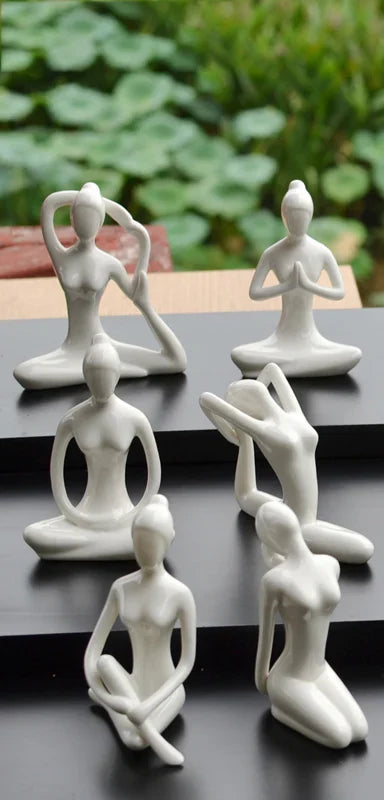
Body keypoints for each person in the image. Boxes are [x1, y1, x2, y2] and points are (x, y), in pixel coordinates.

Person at [14, 182, 186, 390]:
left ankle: (108, 370)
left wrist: (145, 306)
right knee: (26, 373)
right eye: (79, 216)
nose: (84, 222)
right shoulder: (62, 257)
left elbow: (178, 362)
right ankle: (108, 371)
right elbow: (50, 205)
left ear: (100, 222)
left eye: (91, 217)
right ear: (72, 218)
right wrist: (97, 200)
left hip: (103, 345)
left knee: (173, 361)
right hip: (70, 351)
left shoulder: (109, 263)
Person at [199, 362, 373, 564]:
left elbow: (206, 400)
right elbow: (272, 369)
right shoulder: (292, 414)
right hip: (295, 522)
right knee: (363, 550)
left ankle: (243, 436)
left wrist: (230, 433)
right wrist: (257, 389)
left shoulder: (265, 427)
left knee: (363, 548)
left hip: (303, 519)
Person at [24, 334, 161, 560]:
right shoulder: (72, 419)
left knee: (153, 533)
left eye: (106, 376)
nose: (101, 383)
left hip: (124, 516)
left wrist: (134, 513)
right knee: (34, 534)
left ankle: (101, 546)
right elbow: (57, 479)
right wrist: (73, 514)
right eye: (95, 377)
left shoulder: (134, 418)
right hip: (83, 517)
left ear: (117, 374)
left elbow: (154, 478)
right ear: (86, 376)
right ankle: (107, 546)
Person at [84, 495, 197, 765]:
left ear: (167, 542)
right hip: (131, 684)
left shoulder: (180, 594)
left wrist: (145, 706)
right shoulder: (121, 588)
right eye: (139, 543)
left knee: (135, 741)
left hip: (167, 691)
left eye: (152, 544)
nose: (145, 551)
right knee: (105, 662)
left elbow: (186, 663)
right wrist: (109, 697)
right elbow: (92, 654)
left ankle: (118, 711)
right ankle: (120, 709)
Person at [254, 502, 367, 748]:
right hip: (289, 677)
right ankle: (281, 709)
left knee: (359, 730)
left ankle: (286, 709)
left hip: (320, 670)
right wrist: (265, 684)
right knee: (340, 738)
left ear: (268, 539)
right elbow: (266, 638)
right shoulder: (273, 582)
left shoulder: (330, 564)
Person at [231, 179, 361, 378]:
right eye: (292, 217)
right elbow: (255, 293)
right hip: (280, 340)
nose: (297, 222)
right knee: (240, 355)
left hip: (312, 340)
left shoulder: (321, 252)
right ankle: (293, 367)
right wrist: (286, 286)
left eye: (302, 216)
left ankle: (281, 369)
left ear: (310, 216)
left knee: (353, 354)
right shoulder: (273, 253)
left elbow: (339, 292)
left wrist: (308, 285)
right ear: (284, 217)